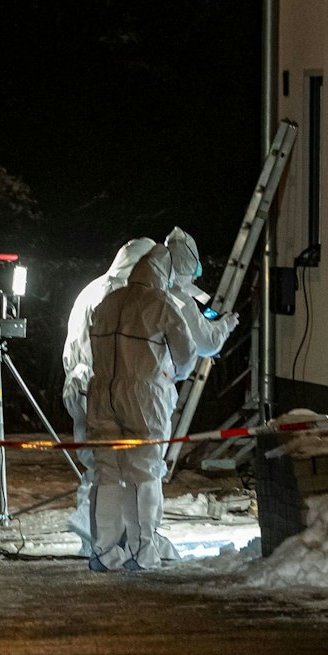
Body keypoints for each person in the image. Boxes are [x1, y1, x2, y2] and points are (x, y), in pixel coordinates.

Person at [85, 245, 237, 571]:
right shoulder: (160, 303)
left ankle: (105, 552)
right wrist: (169, 374)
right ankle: (143, 552)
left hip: (102, 395)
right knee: (143, 472)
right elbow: (187, 354)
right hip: (143, 396)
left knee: (106, 473)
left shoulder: (109, 300)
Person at [61, 238, 158, 555]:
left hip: (82, 386)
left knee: (97, 467)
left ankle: (98, 541)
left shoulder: (91, 289)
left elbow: (73, 348)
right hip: (108, 391)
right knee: (123, 469)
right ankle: (114, 539)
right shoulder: (125, 296)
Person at [162, 227, 233, 379]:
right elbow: (208, 344)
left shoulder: (162, 287)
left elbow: (200, 304)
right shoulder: (180, 298)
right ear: (188, 265)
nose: (195, 278)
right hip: (161, 379)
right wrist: (225, 325)